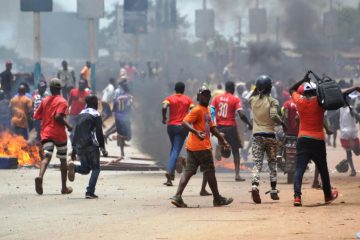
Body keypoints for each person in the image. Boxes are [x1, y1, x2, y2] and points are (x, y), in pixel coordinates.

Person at [288, 71, 350, 206]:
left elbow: (291, 89)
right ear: (316, 92)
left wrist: (302, 79)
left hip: (303, 139)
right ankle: (328, 195)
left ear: (304, 92)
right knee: (322, 168)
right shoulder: (321, 102)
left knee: (299, 169)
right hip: (318, 140)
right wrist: (354, 89)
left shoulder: (299, 100)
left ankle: (297, 197)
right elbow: (338, 95)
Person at [170, 86, 233, 208]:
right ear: (199, 97)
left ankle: (177, 196)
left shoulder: (207, 110)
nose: (206, 96)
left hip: (193, 147)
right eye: (203, 95)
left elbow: (213, 128)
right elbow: (184, 122)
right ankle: (217, 199)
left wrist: (223, 140)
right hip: (202, 147)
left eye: (208, 94)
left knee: (188, 171)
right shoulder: (197, 110)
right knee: (210, 172)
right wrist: (196, 132)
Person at [249, 75, 285, 204]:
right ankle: (274, 190)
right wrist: (282, 123)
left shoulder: (252, 100)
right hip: (270, 135)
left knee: (257, 164)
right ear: (270, 88)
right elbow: (274, 115)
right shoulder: (273, 101)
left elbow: (250, 95)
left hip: (257, 136)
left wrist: (257, 89)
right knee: (272, 163)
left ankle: (254, 186)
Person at [34, 78, 73, 195]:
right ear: (60, 89)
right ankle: (64, 188)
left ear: (50, 89)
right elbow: (58, 117)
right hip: (59, 134)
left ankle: (40, 176)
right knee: (62, 160)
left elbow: (36, 116)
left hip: (46, 133)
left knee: (46, 157)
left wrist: (47, 117)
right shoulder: (63, 101)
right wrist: (69, 126)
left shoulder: (45, 100)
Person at [68, 95, 108, 199]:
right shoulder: (95, 114)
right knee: (96, 168)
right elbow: (99, 132)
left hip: (79, 146)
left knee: (85, 169)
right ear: (95, 104)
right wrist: (102, 148)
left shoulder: (80, 114)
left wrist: (73, 149)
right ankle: (90, 192)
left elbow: (75, 132)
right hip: (91, 145)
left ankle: (75, 168)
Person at [211, 81, 252, 181]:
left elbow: (211, 111)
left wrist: (213, 124)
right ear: (233, 88)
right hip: (230, 128)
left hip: (219, 127)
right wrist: (249, 124)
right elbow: (241, 114)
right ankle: (237, 175)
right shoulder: (235, 99)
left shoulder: (216, 98)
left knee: (225, 152)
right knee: (235, 151)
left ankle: (220, 145)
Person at [162, 81, 194, 186]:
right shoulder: (188, 99)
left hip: (170, 127)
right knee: (176, 150)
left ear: (175, 89)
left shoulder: (169, 98)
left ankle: (170, 177)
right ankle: (169, 171)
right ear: (183, 90)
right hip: (182, 128)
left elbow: (164, 106)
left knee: (174, 149)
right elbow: (193, 110)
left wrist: (164, 117)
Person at [339, 91, 360, 177]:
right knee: (350, 153)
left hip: (349, 134)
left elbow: (357, 116)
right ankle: (353, 170)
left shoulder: (350, 108)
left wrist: (357, 117)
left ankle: (353, 170)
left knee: (356, 153)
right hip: (347, 134)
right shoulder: (341, 109)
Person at [113, 82, 133, 157]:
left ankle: (122, 152)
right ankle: (123, 138)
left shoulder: (118, 98)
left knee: (120, 135)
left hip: (118, 117)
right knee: (129, 137)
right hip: (125, 118)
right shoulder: (129, 97)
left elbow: (114, 109)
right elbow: (129, 106)